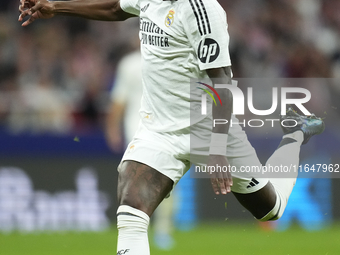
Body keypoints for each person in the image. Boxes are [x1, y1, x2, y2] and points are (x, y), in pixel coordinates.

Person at [18, 1, 325, 255]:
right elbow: (116, 8)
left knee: (271, 209)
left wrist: (217, 150)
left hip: (209, 129)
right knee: (131, 212)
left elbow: (223, 83)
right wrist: (55, 6)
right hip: (159, 129)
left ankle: (294, 135)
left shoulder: (203, 11)